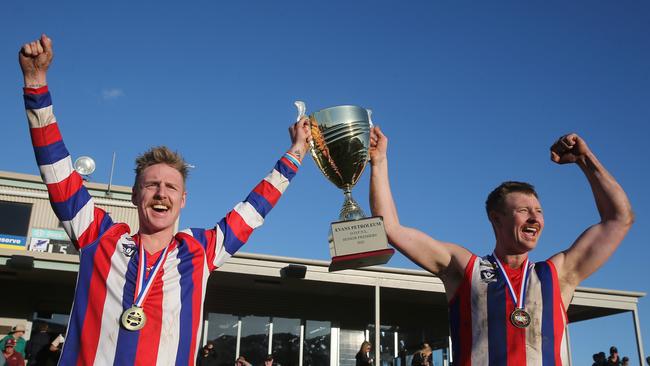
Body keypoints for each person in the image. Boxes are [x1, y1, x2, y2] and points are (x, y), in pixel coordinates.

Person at [18, 34, 311, 365]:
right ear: (134, 195)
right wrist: (35, 83)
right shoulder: (98, 236)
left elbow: (256, 207)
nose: (161, 194)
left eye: (171, 187)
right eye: (151, 185)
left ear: (183, 200)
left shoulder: (200, 250)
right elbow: (56, 170)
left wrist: (297, 151)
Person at [368, 126, 634, 365]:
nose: (535, 218)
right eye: (523, 210)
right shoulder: (466, 268)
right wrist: (379, 162)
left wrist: (585, 160)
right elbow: (391, 229)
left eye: (539, 211)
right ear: (496, 218)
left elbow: (619, 219)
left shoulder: (558, 274)